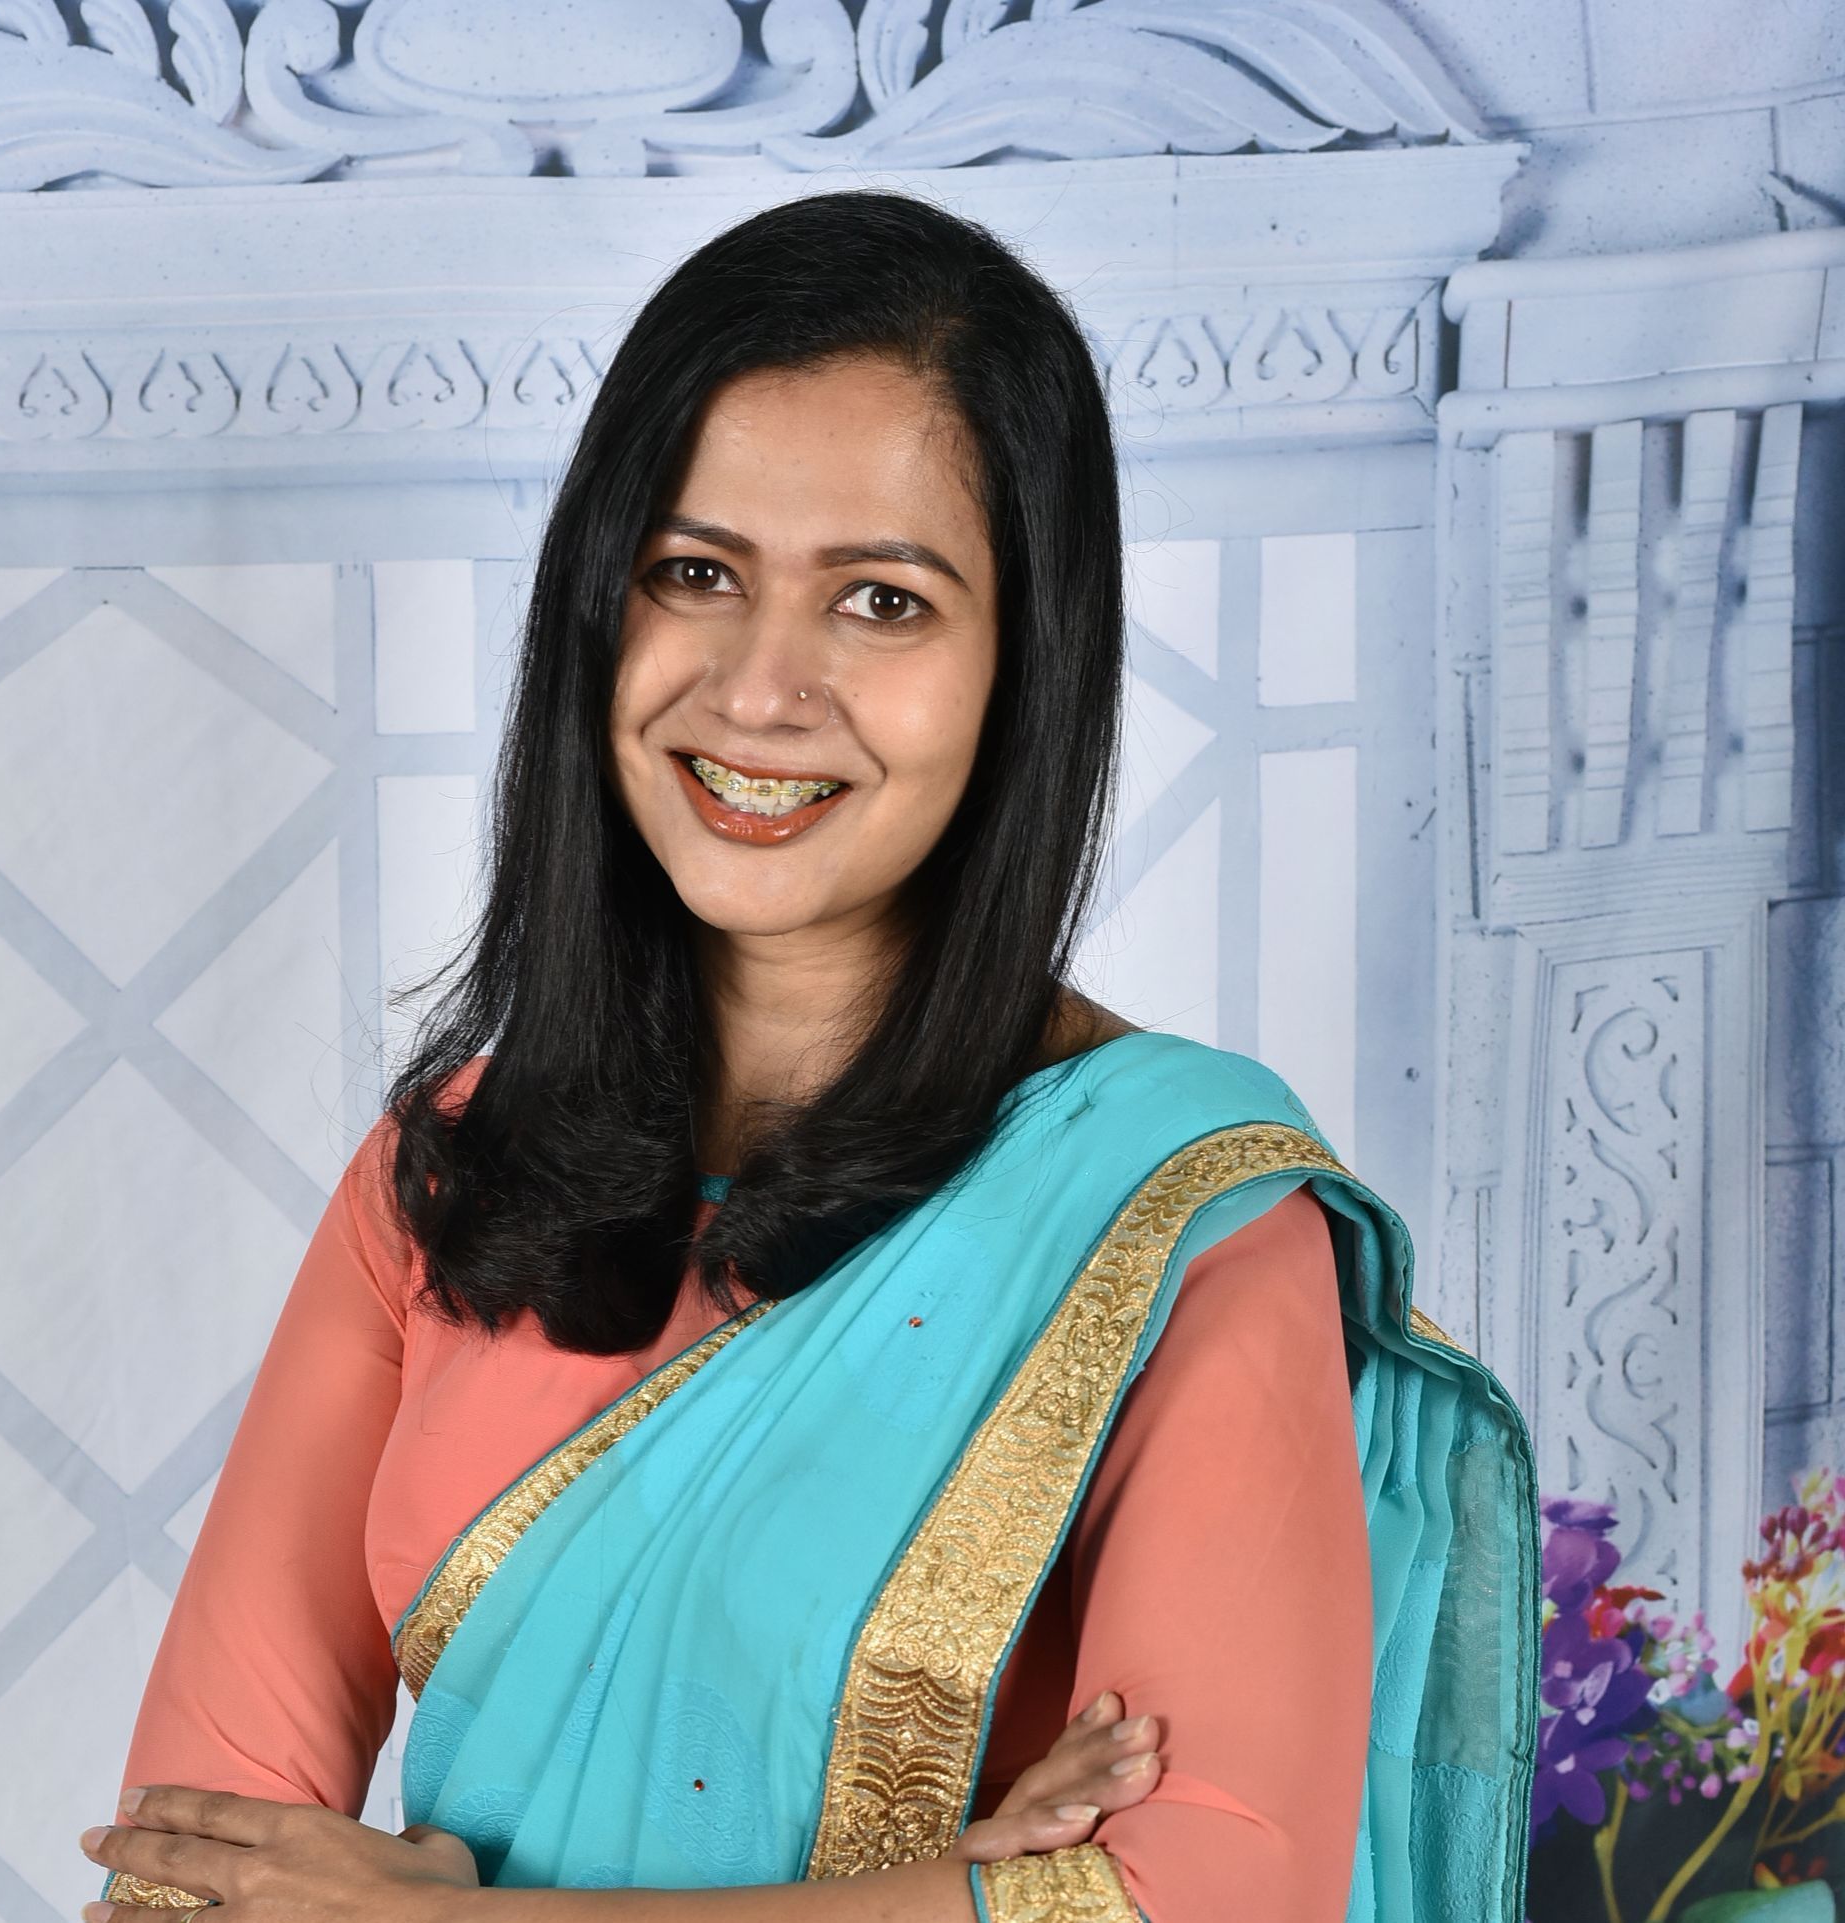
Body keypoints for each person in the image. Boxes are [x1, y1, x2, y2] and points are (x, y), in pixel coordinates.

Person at [81, 189, 1541, 1922]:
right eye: (693, 574)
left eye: (882, 602)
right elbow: (185, 1879)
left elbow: (1193, 1908)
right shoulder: (450, 1176)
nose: (761, 688)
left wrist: (456, 1921)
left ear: (1024, 664)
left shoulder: (1182, 1220)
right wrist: (957, 1897)